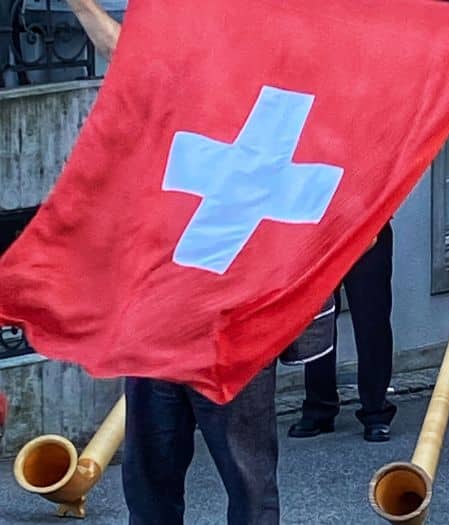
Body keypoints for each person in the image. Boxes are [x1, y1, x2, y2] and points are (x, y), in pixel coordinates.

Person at [65, 1, 335, 522]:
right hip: (160, 318)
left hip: (233, 330)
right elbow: (126, 52)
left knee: (249, 483)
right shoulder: (189, 89)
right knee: (148, 481)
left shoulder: (292, 100)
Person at [288, 223, 396, 442]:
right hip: (322, 230)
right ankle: (319, 406)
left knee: (372, 318)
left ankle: (376, 410)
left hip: (369, 223)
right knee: (318, 319)